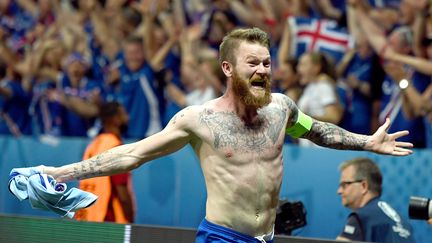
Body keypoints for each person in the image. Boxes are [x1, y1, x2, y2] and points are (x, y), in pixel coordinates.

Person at [29, 27, 413, 242]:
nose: (263, 69)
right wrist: (62, 173)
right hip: (222, 238)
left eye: (267, 62)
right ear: (229, 68)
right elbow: (133, 155)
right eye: (253, 63)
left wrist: (367, 142)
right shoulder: (198, 119)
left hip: (266, 238)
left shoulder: (282, 108)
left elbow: (318, 131)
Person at [74, 101, 135, 223]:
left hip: (86, 217)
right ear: (115, 119)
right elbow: (122, 193)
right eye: (123, 114)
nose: (128, 118)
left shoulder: (93, 145)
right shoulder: (116, 147)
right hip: (108, 221)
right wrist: (130, 219)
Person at [336, 157, 415, 242]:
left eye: (344, 185)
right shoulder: (404, 224)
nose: (339, 191)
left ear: (364, 186)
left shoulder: (361, 218)